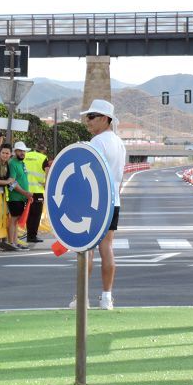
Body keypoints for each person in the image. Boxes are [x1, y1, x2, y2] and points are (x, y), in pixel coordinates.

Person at [78, 98, 127, 310]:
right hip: (113, 200)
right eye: (87, 117)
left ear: (105, 119)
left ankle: (82, 298)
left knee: (87, 248)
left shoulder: (96, 142)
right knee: (106, 248)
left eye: (91, 117)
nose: (87, 121)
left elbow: (85, 173)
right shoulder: (119, 142)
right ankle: (107, 297)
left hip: (94, 202)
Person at [5, 142, 33, 250]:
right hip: (15, 197)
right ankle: (11, 242)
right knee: (13, 220)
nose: (22, 153)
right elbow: (12, 182)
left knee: (16, 220)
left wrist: (26, 194)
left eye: (24, 151)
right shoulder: (12, 163)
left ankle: (15, 242)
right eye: (20, 151)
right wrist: (24, 192)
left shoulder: (22, 163)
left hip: (21, 197)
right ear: (15, 151)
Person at [23, 145, 49, 243]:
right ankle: (32, 236)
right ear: (44, 150)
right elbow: (47, 172)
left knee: (28, 213)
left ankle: (28, 233)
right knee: (36, 214)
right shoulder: (43, 158)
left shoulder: (26, 155)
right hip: (37, 190)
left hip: (24, 189)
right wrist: (46, 184)